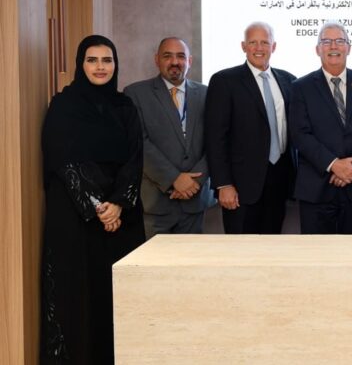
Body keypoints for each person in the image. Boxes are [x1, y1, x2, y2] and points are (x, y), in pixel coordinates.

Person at [40, 35, 145, 364]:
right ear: (80, 64)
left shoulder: (125, 106)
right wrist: (98, 205)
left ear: (115, 65)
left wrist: (119, 203)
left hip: (121, 215)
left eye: (107, 60)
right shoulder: (64, 106)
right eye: (92, 60)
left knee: (117, 294)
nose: (101, 67)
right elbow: (62, 158)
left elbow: (135, 157)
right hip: (76, 216)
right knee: (77, 295)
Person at [290, 22, 352, 234]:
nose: (333, 46)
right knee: (316, 252)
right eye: (326, 41)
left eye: (340, 41)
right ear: (318, 49)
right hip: (316, 189)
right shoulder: (300, 87)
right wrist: (333, 165)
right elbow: (300, 134)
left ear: (348, 48)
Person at [205, 22, 296, 234]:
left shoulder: (289, 80)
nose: (259, 48)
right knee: (241, 249)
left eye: (264, 42)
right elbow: (215, 137)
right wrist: (223, 184)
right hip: (240, 187)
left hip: (279, 181)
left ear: (274, 47)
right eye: (253, 42)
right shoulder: (224, 81)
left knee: (272, 246)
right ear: (243, 46)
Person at [124, 38, 213, 236]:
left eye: (181, 56)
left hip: (195, 200)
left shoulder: (207, 94)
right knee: (154, 257)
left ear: (190, 61)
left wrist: (195, 181)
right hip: (155, 201)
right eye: (167, 56)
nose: (175, 62)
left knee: (191, 256)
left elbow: (215, 142)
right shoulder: (135, 93)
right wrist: (174, 179)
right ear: (157, 60)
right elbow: (139, 142)